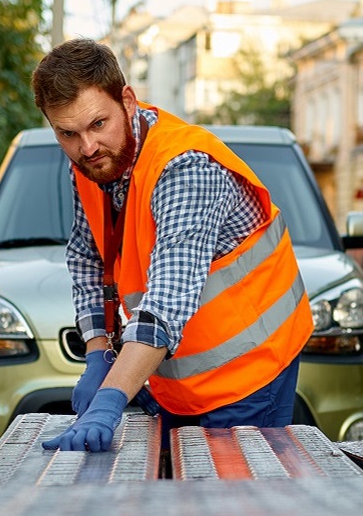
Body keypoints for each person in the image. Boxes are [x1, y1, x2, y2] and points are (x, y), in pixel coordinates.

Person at [34, 38, 313, 452]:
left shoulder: (185, 167)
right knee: (173, 504)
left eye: (98, 124)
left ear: (127, 101)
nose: (86, 147)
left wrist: (110, 399)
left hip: (250, 372)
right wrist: (98, 354)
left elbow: (166, 299)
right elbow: (89, 258)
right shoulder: (91, 161)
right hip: (174, 377)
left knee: (233, 508)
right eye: (68, 133)